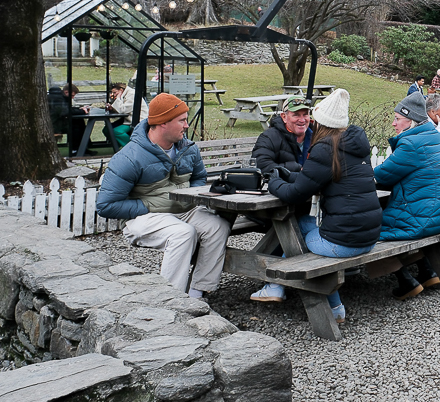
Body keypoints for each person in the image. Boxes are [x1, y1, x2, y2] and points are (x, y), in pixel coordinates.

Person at [96, 93, 230, 298]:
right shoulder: (129, 158)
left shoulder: (188, 149)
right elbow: (105, 205)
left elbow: (199, 177)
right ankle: (171, 298)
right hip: (141, 218)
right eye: (182, 120)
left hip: (183, 212)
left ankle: (197, 293)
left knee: (217, 227)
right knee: (183, 233)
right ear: (162, 123)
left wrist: (192, 200)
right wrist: (150, 205)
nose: (187, 125)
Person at [266, 89, 382, 323]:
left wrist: (273, 181)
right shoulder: (354, 144)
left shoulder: (325, 149)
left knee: (294, 229)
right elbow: (315, 178)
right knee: (307, 223)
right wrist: (291, 175)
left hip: (344, 244)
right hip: (368, 238)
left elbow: (294, 195)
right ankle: (275, 287)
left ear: (321, 123)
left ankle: (285, 289)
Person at [374, 92, 440, 300]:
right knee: (393, 217)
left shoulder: (410, 144)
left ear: (411, 121)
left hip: (428, 218)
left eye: (397, 119)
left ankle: (405, 281)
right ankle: (427, 271)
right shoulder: (433, 136)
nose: (393, 123)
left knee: (369, 228)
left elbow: (382, 175)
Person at [248, 96, 314, 303]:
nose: (302, 119)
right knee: (292, 223)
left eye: (305, 114)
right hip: (274, 203)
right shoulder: (269, 136)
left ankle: (282, 280)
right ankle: (276, 280)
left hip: (308, 202)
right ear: (284, 117)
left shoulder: (316, 136)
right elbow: (262, 165)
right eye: (296, 115)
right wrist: (300, 172)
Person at [104, 82, 149, 149]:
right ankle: (117, 146)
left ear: (121, 90)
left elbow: (123, 110)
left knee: (117, 131)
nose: (113, 95)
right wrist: (112, 108)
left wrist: (118, 98)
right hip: (127, 118)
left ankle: (133, 148)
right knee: (107, 129)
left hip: (136, 120)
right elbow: (121, 109)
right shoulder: (125, 94)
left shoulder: (131, 94)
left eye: (115, 92)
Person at [48, 83, 88, 150]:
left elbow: (67, 109)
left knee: (79, 121)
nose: (73, 97)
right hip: (55, 125)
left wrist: (79, 109)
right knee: (77, 126)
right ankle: (76, 149)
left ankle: (82, 148)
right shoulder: (58, 99)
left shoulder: (58, 97)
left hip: (55, 122)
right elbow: (65, 112)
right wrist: (82, 111)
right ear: (66, 92)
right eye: (72, 95)